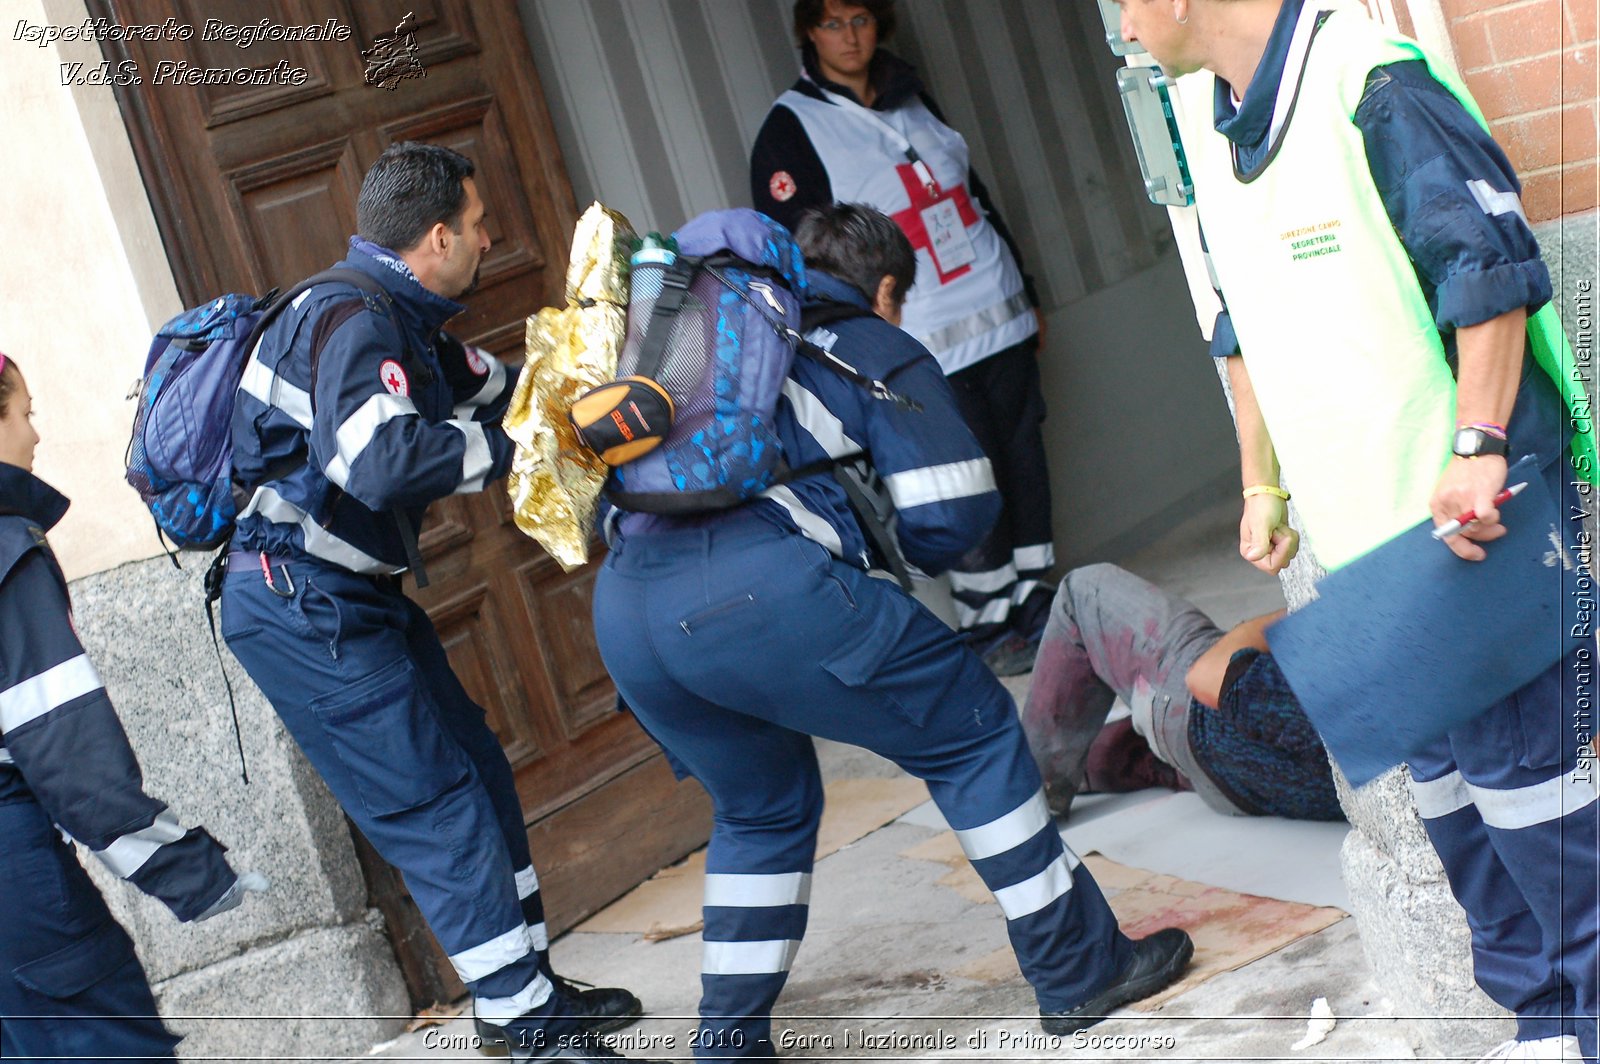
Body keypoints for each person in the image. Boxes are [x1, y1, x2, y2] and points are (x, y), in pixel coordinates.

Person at [592, 203, 1192, 1060]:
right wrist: (897, 555)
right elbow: (952, 511)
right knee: (974, 732)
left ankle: (727, 1043)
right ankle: (1080, 969)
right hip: (758, 591)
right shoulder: (868, 341)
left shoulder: (702, 337)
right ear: (885, 290)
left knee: (761, 809)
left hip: (626, 609)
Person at [1113, 1, 1597, 1060]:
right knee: (1456, 815)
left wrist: (1476, 444)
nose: (1123, 26)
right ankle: (1540, 1026)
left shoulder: (1368, 79)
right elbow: (1239, 320)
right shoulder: (1208, 119)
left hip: (1473, 523)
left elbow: (1488, 271)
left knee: (1541, 808)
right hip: (1374, 559)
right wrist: (1261, 487)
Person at [222, 142, 643, 1062]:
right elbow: (377, 463)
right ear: (440, 236)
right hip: (302, 605)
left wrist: (595, 366)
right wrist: (533, 452)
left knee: (477, 769)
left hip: (345, 595)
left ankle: (526, 994)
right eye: (482, 224)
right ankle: (524, 1024)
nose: (494, 238)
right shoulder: (352, 318)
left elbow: (507, 393)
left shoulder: (399, 315)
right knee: (433, 799)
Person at [750, 0, 1056, 675]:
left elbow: (972, 193)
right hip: (912, 339)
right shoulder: (790, 128)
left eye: (860, 19)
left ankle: (1040, 602)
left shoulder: (913, 96)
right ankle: (992, 622)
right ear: (808, 31)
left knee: (1024, 461)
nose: (850, 35)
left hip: (995, 314)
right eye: (833, 23)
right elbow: (797, 255)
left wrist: (1029, 294)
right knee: (960, 473)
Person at [0, 353, 263, 1059]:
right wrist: (189, 872)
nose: (35, 434)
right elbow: (66, 752)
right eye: (25, 413)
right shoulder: (4, 551)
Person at [1021, 563, 1341, 822]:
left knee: (1083, 592)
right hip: (1256, 790)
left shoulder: (1362, 691)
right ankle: (1140, 755)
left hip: (1202, 726)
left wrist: (1306, 614)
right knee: (1107, 749)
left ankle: (1024, 807)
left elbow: (1207, 677)